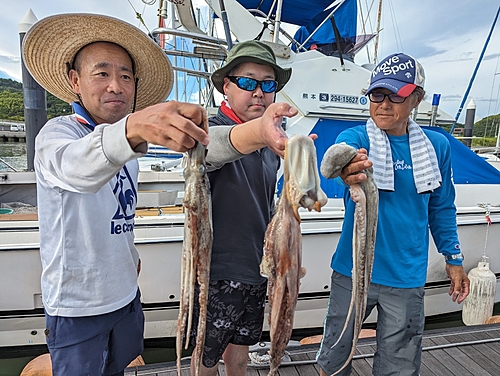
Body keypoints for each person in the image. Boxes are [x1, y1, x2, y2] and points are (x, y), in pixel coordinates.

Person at [22, 13, 210, 376]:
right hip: (77, 306)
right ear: (75, 80)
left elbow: (116, 210)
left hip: (125, 297)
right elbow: (76, 168)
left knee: (119, 369)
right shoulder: (56, 135)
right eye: (102, 73)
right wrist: (134, 127)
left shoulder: (130, 149)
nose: (116, 86)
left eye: (126, 76)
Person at [316, 53, 470, 376]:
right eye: (377, 94)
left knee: (398, 367)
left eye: (396, 95)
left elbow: (441, 207)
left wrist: (453, 259)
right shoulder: (360, 139)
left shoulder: (437, 147)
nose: (384, 104)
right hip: (352, 270)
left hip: (406, 276)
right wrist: (345, 166)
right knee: (334, 354)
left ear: (416, 98)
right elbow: (337, 156)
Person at [188, 40, 296, 376]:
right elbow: (210, 150)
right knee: (206, 357)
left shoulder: (270, 143)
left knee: (241, 350)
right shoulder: (208, 129)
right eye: (248, 82)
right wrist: (259, 132)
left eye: (268, 84)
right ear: (226, 86)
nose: (259, 93)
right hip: (216, 274)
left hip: (257, 268)